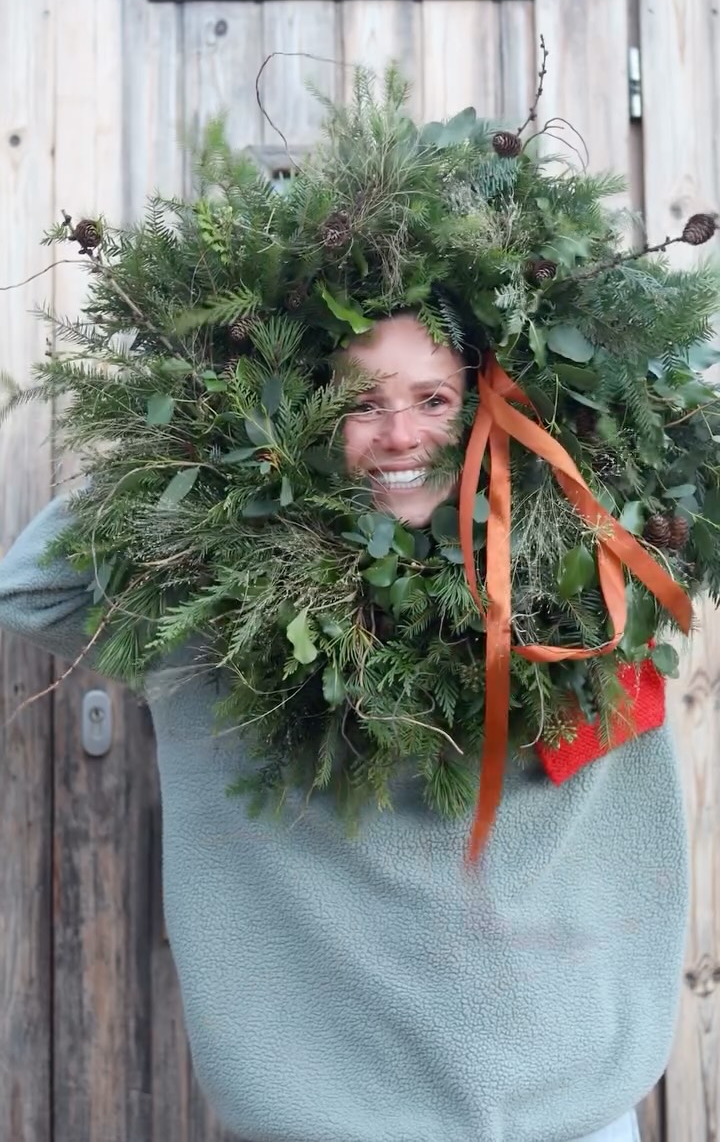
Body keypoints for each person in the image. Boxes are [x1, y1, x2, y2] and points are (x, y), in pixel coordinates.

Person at [0, 308, 685, 1142]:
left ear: (491, 403)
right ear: (302, 415)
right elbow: (34, 588)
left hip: (571, 1119)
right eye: (361, 403)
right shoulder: (221, 620)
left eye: (434, 399)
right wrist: (191, 431)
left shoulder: (586, 602)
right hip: (327, 1122)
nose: (400, 433)